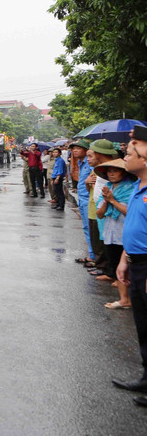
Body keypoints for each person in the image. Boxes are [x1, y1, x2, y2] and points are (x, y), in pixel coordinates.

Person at [113, 125, 147, 406]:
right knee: (143, 325)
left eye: (130, 151)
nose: (125, 156)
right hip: (136, 263)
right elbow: (136, 227)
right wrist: (125, 258)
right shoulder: (139, 186)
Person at [94, 158, 136, 300]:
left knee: (127, 267)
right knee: (114, 261)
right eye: (109, 172)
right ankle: (124, 297)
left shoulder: (131, 188)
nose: (111, 174)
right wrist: (106, 200)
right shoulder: (107, 187)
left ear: (123, 173)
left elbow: (130, 212)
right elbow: (99, 214)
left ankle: (127, 297)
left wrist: (112, 200)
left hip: (124, 232)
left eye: (115, 171)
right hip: (110, 232)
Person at [88, 139, 121, 276]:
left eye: (92, 154)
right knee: (101, 237)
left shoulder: (111, 168)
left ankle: (108, 270)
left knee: (106, 239)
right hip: (100, 206)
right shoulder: (100, 168)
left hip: (109, 208)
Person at [71, 139, 95, 266]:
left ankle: (94, 256)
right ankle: (91, 255)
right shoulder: (81, 163)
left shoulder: (90, 164)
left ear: (86, 150)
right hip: (82, 198)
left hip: (88, 199)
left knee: (91, 228)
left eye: (78, 148)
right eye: (74, 148)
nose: (75, 150)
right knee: (86, 227)